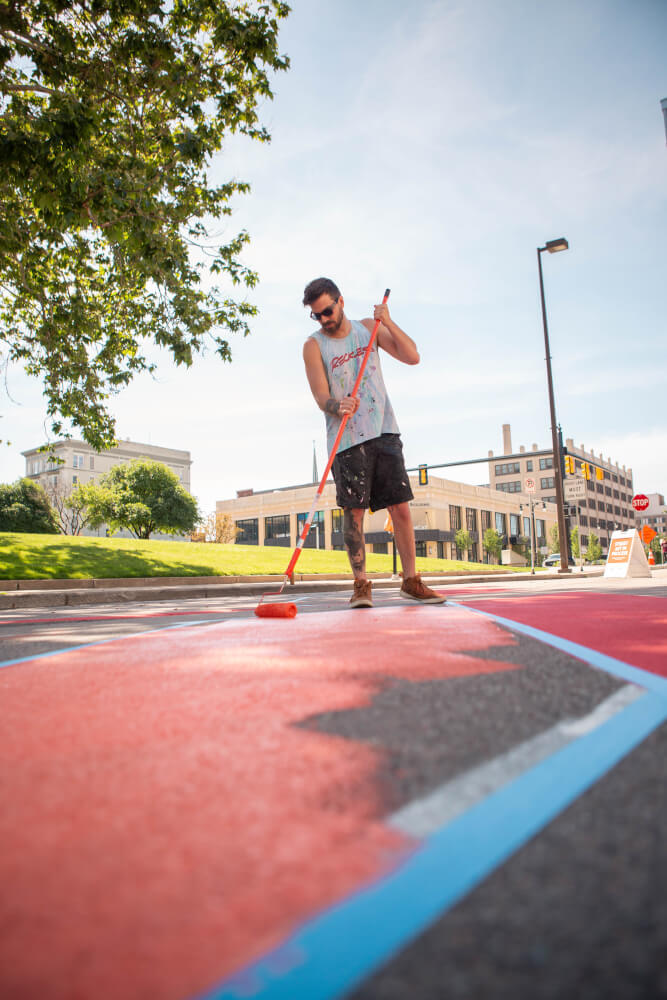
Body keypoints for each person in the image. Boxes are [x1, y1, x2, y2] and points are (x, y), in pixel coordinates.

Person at [302, 277, 445, 609]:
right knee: (354, 514)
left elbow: (412, 356)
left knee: (401, 507)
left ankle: (411, 581)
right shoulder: (313, 345)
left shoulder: (369, 328)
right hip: (347, 439)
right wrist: (337, 405)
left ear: (340, 301)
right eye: (316, 315)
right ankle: (361, 585)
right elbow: (320, 396)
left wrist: (389, 322)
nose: (323, 319)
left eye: (327, 311)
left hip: (384, 430)